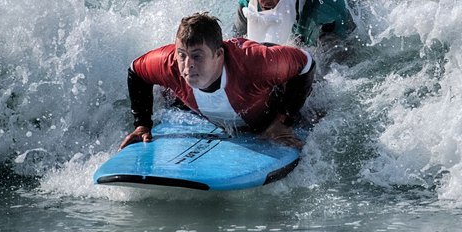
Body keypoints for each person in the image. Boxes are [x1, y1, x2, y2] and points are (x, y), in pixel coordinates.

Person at [119, 12, 315, 150]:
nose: (188, 65)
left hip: (270, 93)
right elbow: (136, 71)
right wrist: (143, 124)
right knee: (171, 97)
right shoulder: (169, 64)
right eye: (182, 55)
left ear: (219, 55)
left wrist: (283, 120)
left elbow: (306, 63)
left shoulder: (256, 64)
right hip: (226, 105)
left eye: (197, 56)